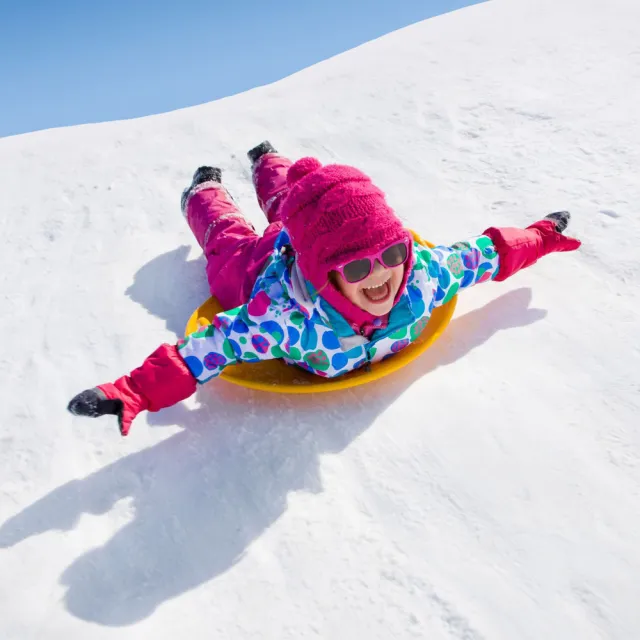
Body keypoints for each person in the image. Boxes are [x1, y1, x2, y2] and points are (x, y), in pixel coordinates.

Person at [68, 141, 581, 435]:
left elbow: (485, 254)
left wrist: (541, 235)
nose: (381, 276)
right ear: (325, 275)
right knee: (228, 240)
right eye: (357, 269)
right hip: (256, 268)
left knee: (296, 199)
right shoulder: (285, 318)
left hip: (308, 241)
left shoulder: (421, 275)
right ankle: (203, 190)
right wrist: (135, 389)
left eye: (392, 255)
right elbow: (208, 348)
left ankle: (268, 160)